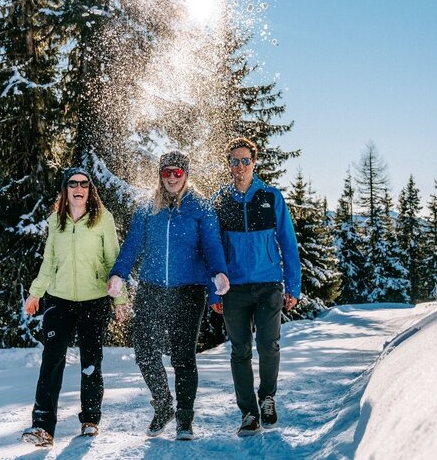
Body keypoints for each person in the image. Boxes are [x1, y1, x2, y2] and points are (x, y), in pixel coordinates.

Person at [107, 151, 230, 441]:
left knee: (183, 357)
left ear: (186, 174)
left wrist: (219, 277)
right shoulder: (147, 207)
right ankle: (163, 406)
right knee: (145, 352)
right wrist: (118, 274)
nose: (172, 178)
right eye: (166, 172)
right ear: (159, 175)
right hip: (151, 289)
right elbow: (132, 246)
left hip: (188, 291)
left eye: (177, 172)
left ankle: (184, 419)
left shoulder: (201, 207)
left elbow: (212, 247)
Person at [20, 168, 128, 447]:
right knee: (52, 358)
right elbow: (48, 261)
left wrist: (119, 299)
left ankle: (90, 419)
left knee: (90, 360)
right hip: (59, 299)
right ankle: (42, 426)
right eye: (73, 183)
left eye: (84, 183)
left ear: (90, 190)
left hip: (94, 300)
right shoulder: (56, 222)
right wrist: (35, 293)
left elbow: (113, 262)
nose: (78, 188)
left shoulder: (103, 219)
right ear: (65, 189)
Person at [210, 137, 301, 437]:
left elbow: (288, 243)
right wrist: (215, 290)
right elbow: (213, 250)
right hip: (233, 289)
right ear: (229, 165)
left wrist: (293, 286)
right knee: (240, 351)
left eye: (245, 160)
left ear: (254, 162)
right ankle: (248, 412)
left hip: (268, 285)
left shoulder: (271, 197)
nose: (239, 166)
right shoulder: (220, 201)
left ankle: (268, 397)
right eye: (234, 161)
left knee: (268, 345)